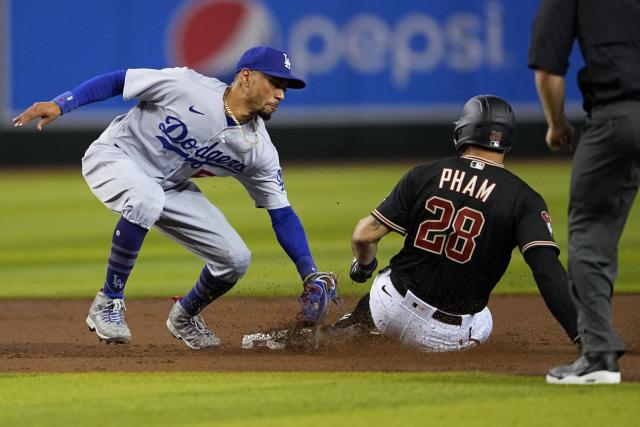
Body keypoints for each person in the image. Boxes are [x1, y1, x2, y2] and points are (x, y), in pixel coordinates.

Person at [12, 46, 338, 350]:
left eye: (286, 87)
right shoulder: (188, 87)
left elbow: (281, 214)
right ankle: (108, 301)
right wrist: (62, 103)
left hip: (169, 187)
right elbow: (120, 80)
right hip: (114, 157)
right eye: (274, 82)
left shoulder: (258, 150)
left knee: (235, 259)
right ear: (246, 76)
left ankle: (185, 316)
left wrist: (309, 273)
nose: (281, 94)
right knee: (146, 197)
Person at [330, 95, 579, 354]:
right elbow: (548, 272)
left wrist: (364, 266)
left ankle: (352, 325)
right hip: (448, 338)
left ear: (463, 130)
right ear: (508, 140)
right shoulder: (525, 199)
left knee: (388, 279)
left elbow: (364, 236)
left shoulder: (425, 174)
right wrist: (581, 334)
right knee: (484, 316)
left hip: (390, 311)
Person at [529, 0, 640, 384]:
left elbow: (548, 71)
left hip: (618, 116)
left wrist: (556, 124)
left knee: (590, 235)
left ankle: (599, 357)